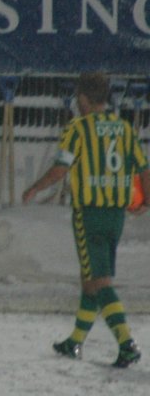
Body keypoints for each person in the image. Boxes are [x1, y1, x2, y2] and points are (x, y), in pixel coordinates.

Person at [22, 72, 150, 368]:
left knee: (100, 282)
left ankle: (126, 342)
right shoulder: (125, 128)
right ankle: (75, 341)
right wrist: (145, 200)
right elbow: (144, 169)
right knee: (90, 278)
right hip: (115, 215)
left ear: (82, 98)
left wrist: (35, 188)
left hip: (89, 213)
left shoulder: (78, 128)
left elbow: (60, 169)